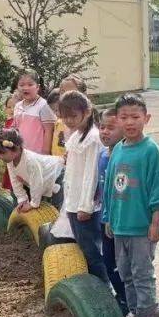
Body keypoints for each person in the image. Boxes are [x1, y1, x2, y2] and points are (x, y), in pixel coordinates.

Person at [102, 93, 159, 316]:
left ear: (146, 118)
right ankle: (135, 315)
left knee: (142, 275)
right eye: (124, 117)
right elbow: (111, 186)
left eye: (135, 117)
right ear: (117, 120)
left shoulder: (151, 151)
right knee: (125, 274)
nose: (130, 122)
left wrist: (156, 222)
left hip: (141, 227)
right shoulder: (118, 149)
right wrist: (108, 218)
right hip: (120, 226)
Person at [58, 91, 109, 283]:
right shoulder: (77, 135)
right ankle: (96, 287)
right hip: (73, 201)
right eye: (65, 117)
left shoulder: (93, 139)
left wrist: (86, 205)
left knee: (93, 251)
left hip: (84, 205)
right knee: (85, 249)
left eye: (73, 116)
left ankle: (105, 288)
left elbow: (92, 174)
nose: (69, 120)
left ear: (87, 112)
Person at [98, 106, 128, 314]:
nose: (105, 131)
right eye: (102, 127)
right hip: (104, 218)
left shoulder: (124, 157)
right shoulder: (102, 155)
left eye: (111, 127)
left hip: (122, 220)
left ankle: (130, 300)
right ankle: (122, 297)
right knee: (109, 262)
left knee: (124, 264)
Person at [0, 129, 64, 210]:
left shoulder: (30, 161)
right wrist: (22, 199)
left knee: (56, 208)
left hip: (58, 173)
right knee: (44, 204)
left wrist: (33, 204)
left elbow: (37, 183)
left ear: (16, 148)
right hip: (44, 180)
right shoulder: (10, 161)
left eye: (3, 153)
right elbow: (15, 181)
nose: (0, 157)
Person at [12, 68, 56, 154]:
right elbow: (16, 130)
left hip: (38, 156)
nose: (25, 88)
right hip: (21, 154)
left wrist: (45, 154)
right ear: (17, 87)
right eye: (21, 85)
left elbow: (49, 131)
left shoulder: (44, 105)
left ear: (37, 87)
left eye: (30, 84)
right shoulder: (17, 106)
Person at [47, 88, 67, 158]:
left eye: (57, 110)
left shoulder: (68, 124)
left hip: (64, 159)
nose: (56, 113)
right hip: (56, 159)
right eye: (53, 111)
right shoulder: (58, 122)